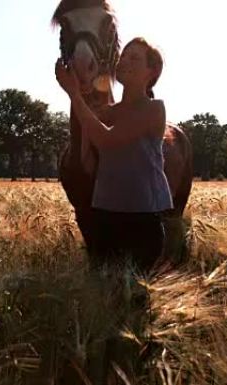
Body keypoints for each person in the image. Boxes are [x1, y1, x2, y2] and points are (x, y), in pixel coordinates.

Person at [55, 37, 173, 274]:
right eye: (123, 56)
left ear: (152, 71)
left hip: (141, 224)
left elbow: (106, 140)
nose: (124, 61)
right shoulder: (109, 112)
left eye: (135, 58)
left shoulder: (153, 109)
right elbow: (84, 122)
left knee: (133, 301)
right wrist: (80, 83)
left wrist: (74, 95)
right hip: (105, 220)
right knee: (107, 298)